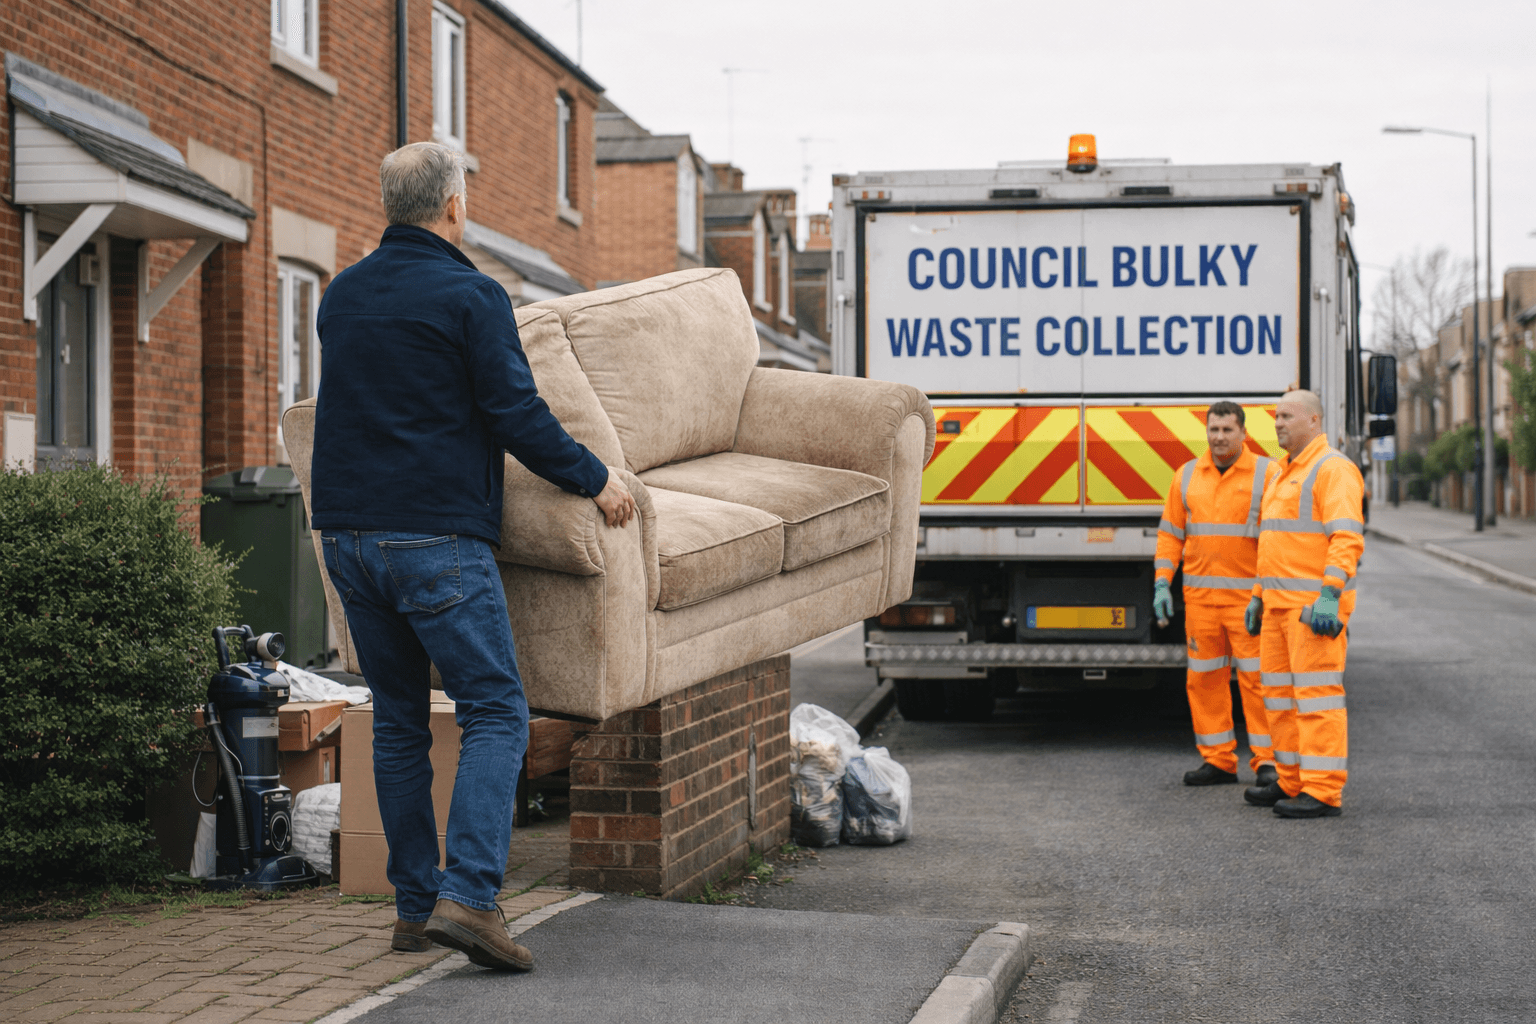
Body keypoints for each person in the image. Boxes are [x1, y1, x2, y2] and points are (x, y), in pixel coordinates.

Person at [309, 142, 637, 968]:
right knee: (497, 712)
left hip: (348, 537)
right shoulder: (472, 294)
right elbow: (515, 414)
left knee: (398, 721)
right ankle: (474, 899)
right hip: (435, 541)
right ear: (453, 206)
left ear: (392, 205)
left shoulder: (341, 296)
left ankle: (416, 909)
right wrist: (597, 479)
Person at [1242, 389, 1364, 819]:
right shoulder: (1281, 472)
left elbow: (1346, 538)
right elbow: (1273, 544)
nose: (1278, 424)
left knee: (1316, 700)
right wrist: (1258, 595)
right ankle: (1292, 780)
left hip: (1313, 610)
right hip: (1278, 607)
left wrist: (1330, 595)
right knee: (1278, 699)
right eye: (1276, 416)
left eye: (1288, 416)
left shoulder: (1334, 470)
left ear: (1314, 421)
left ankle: (1324, 790)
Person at [1155, 402, 1281, 789]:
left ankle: (1268, 763)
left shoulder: (1268, 473)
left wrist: (1265, 593)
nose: (1220, 437)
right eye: (1214, 430)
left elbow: (1278, 538)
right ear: (1205, 431)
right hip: (1201, 602)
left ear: (1243, 433)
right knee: (1204, 681)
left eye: (1227, 430)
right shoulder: (1187, 475)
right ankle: (1218, 761)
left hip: (1249, 603)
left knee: (1258, 683)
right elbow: (1171, 534)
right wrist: (1162, 581)